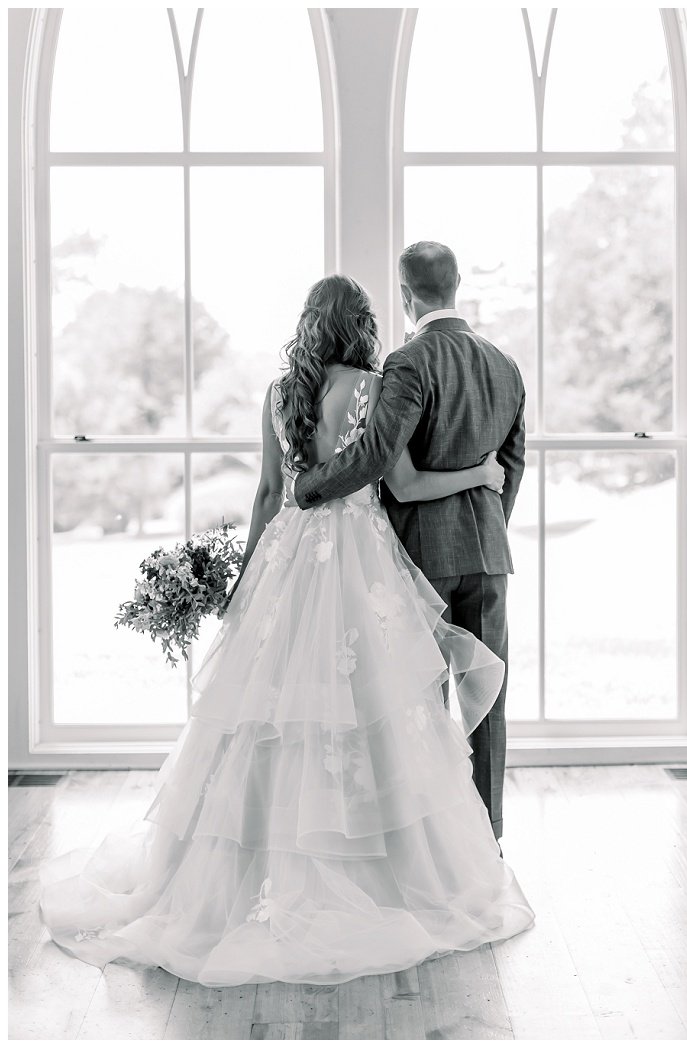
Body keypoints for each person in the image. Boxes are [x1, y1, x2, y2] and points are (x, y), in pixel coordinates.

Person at [39, 275, 534, 987]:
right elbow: (400, 484)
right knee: (373, 712)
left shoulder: (278, 395)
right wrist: (479, 473)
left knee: (269, 713)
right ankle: (394, 864)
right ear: (362, 326)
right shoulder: (371, 385)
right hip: (361, 558)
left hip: (288, 555)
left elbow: (268, 494)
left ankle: (249, 868)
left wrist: (246, 580)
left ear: (307, 325)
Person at [291, 242, 525, 842]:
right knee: (488, 690)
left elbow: (373, 457)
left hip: (423, 555)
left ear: (404, 293)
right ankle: (487, 834)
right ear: (457, 283)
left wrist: (309, 488)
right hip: (490, 558)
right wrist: (489, 527)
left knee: (423, 697)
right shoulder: (506, 366)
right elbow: (513, 466)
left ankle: (435, 839)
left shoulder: (408, 362)